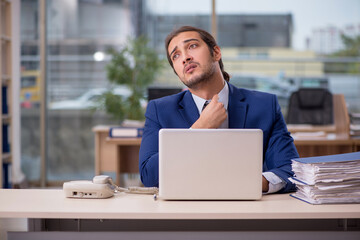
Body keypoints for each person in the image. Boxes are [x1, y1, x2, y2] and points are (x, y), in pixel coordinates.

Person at [139, 26, 299, 193]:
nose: (185, 58)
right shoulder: (159, 110)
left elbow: (290, 171)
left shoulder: (265, 105)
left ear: (216, 52)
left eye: (192, 46)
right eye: (176, 55)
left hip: (249, 210)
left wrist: (250, 183)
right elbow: (149, 176)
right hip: (186, 211)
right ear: (177, 72)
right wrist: (199, 129)